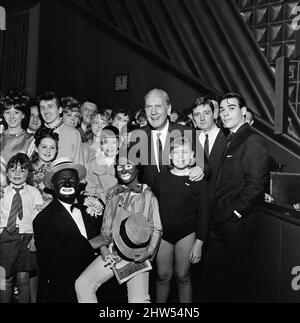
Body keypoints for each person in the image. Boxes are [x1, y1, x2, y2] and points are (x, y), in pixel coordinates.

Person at [205, 92, 269, 302]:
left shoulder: (252, 140)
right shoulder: (230, 139)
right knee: (222, 281)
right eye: (221, 109)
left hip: (236, 224)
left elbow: (256, 185)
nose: (224, 113)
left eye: (231, 108)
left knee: (237, 283)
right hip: (222, 221)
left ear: (243, 112)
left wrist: (235, 213)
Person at [75, 156, 162, 303]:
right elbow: (106, 227)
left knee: (139, 300)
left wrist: (147, 252)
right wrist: (103, 248)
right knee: (82, 284)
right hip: (113, 251)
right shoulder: (113, 193)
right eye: (119, 166)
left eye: (128, 165)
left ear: (138, 167)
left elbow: (157, 228)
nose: (123, 170)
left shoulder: (148, 196)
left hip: (137, 255)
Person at [33, 158, 102, 303]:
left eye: (72, 179)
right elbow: (52, 263)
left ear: (78, 183)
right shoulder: (43, 220)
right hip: (66, 287)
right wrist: (90, 244)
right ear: (52, 185)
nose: (67, 183)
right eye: (61, 179)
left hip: (102, 283)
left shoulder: (95, 204)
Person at [152, 137, 210, 303]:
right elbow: (152, 206)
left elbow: (204, 214)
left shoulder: (198, 180)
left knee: (182, 276)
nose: (180, 156)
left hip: (186, 234)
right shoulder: (161, 178)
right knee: (163, 275)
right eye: (176, 152)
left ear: (192, 155)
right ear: (169, 156)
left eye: (185, 151)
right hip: (163, 234)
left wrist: (199, 243)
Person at [131, 88, 208, 189]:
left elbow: (206, 165)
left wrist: (201, 168)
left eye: (158, 106)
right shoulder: (137, 137)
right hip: (149, 201)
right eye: (149, 107)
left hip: (180, 199)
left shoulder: (186, 133)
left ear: (168, 109)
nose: (153, 112)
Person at [0, 153, 43, 303]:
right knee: (6, 278)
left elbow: (38, 217)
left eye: (22, 170)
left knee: (23, 278)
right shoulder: (2, 192)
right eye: (13, 169)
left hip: (27, 237)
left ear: (29, 173)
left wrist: (35, 238)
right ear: (6, 173)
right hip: (6, 236)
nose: (17, 173)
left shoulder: (34, 192)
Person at [192, 96, 227, 201]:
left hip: (222, 202)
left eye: (206, 113)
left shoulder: (228, 138)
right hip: (196, 203)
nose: (202, 118)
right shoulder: (190, 140)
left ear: (214, 114)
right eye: (197, 115)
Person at [37, 91, 84, 164]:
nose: (46, 111)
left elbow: (79, 165)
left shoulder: (73, 134)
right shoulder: (37, 134)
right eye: (42, 108)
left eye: (50, 106)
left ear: (60, 110)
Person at [0, 90, 34, 187]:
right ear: (3, 114)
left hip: (21, 193)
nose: (11, 116)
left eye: (16, 112)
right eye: (7, 112)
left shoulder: (31, 140)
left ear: (23, 115)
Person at [84, 126, 119, 203]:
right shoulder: (94, 163)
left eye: (113, 142)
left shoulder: (124, 161)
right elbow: (90, 189)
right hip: (101, 205)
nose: (110, 146)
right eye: (106, 142)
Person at [31, 128, 59, 208]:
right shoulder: (28, 168)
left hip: (50, 211)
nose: (48, 150)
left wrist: (52, 204)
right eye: (44, 147)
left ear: (56, 150)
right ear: (36, 148)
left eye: (52, 147)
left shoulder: (58, 171)